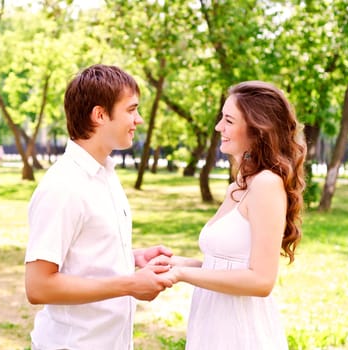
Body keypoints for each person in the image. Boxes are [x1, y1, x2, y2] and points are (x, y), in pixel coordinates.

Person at [24, 64, 174, 350]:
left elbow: (84, 259)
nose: (138, 119)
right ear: (100, 115)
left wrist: (132, 258)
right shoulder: (63, 186)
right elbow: (39, 286)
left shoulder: (105, 174)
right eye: (131, 110)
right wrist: (130, 284)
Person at [155, 80, 306, 349]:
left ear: (256, 129)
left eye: (228, 120)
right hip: (212, 322)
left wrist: (181, 275)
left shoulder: (266, 184)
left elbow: (261, 281)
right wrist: (173, 263)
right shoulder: (239, 186)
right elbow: (223, 266)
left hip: (241, 330)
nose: (218, 127)